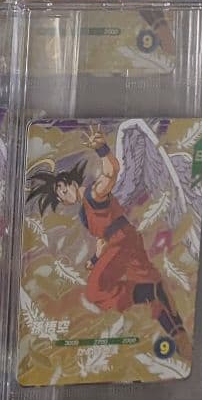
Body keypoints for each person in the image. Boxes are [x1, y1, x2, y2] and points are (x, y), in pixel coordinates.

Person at [26, 125, 190, 357]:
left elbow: (111, 171)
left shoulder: (94, 193)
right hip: (126, 241)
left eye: (62, 190)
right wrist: (94, 259)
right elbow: (101, 241)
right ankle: (178, 335)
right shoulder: (85, 211)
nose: (63, 196)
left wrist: (102, 148)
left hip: (121, 243)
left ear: (70, 182)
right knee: (151, 284)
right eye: (59, 197)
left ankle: (151, 292)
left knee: (96, 291)